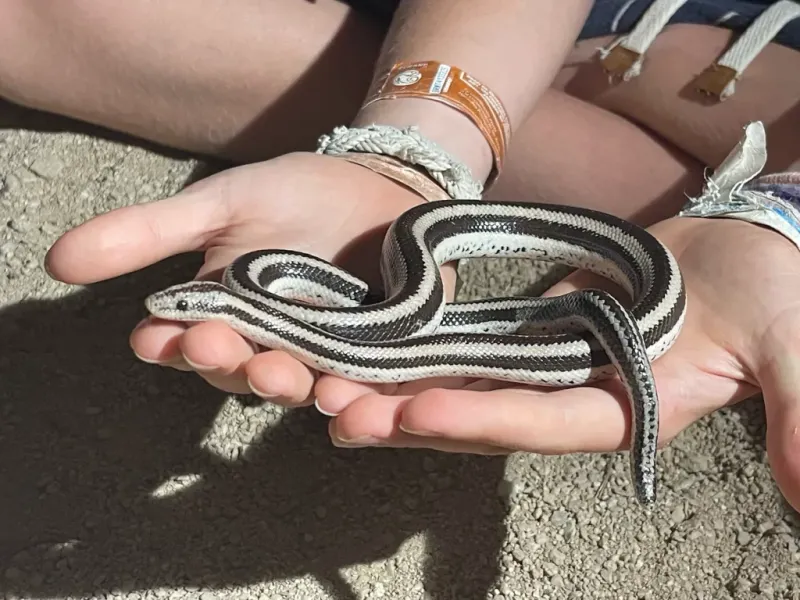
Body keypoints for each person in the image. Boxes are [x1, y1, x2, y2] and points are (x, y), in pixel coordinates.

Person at [7, 0, 798, 507]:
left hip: (739, 64)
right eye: (185, 301)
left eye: (185, 300)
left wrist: (774, 213)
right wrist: (411, 149)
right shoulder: (268, 289)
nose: (176, 301)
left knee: (660, 192)